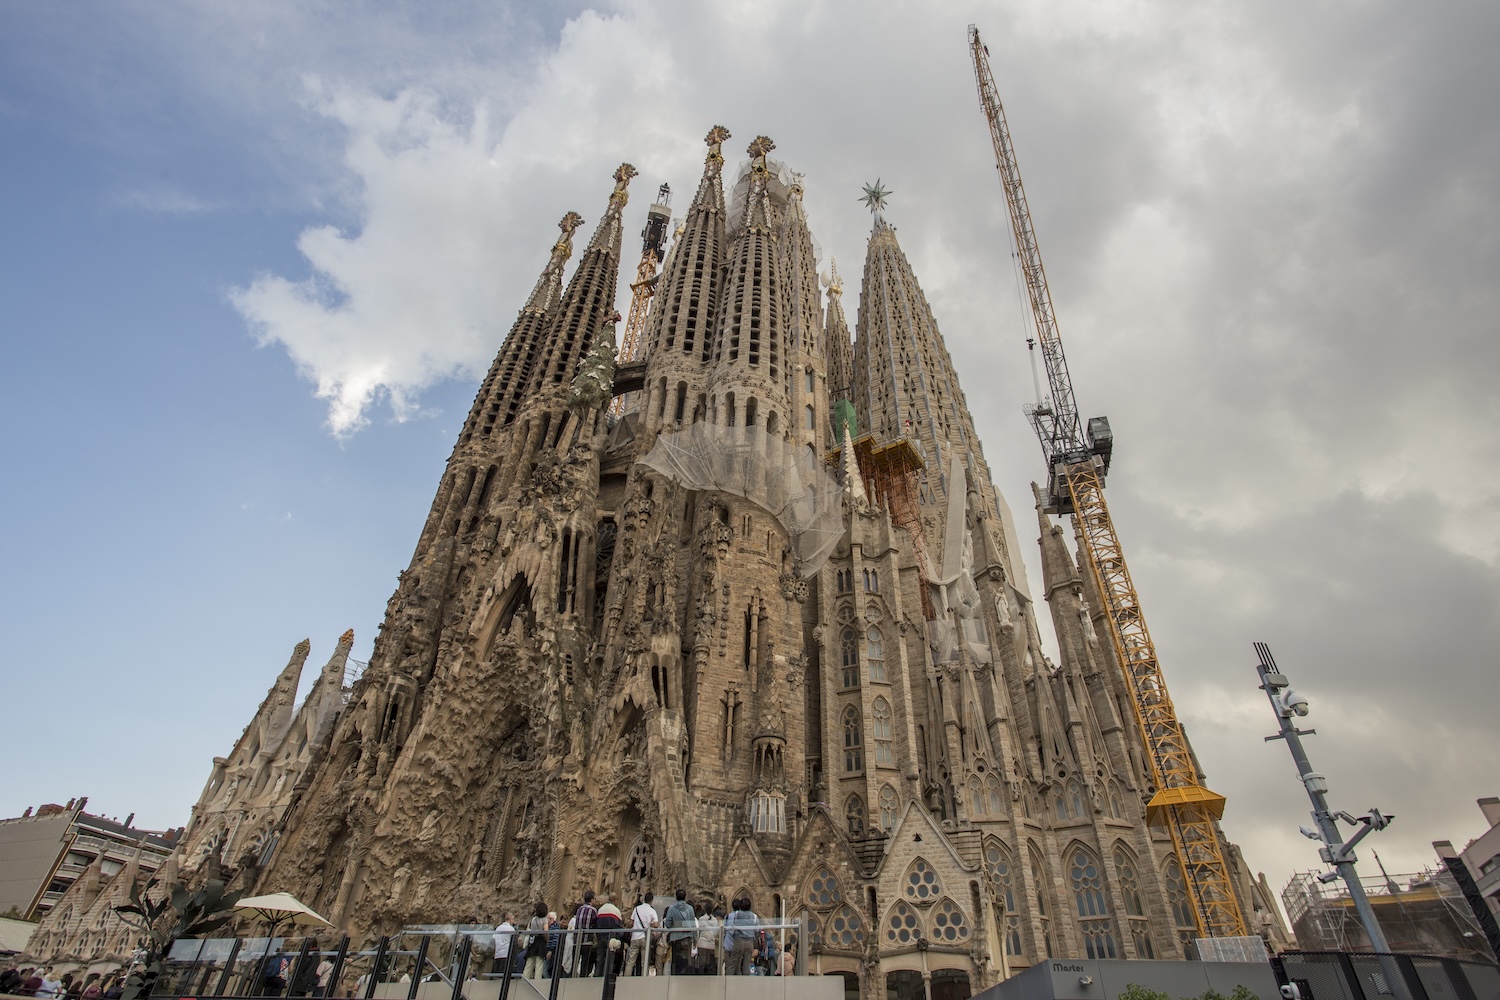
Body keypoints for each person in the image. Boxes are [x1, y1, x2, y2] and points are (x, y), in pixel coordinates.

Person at [662, 889, 697, 976]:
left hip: (675, 937)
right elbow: (693, 924)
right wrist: (695, 939)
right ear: (685, 897)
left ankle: (675, 975)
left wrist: (675, 926)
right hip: (688, 937)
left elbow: (668, 923)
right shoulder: (690, 909)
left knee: (676, 960)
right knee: (687, 960)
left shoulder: (672, 908)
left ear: (676, 897)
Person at [723, 897, 759, 976]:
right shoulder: (754, 916)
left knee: (733, 963)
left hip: (739, 941)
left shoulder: (737, 914)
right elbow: (757, 931)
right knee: (746, 964)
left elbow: (733, 926)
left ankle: (728, 981)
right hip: (749, 942)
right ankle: (745, 983)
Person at [624, 894, 658, 976]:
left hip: (635, 937)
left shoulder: (636, 909)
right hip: (645, 937)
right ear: (651, 901)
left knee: (631, 961)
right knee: (644, 961)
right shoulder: (652, 911)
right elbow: (656, 925)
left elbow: (631, 923)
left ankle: (626, 978)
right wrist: (649, 925)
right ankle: (643, 979)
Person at [594, 893, 625, 977]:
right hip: (611, 937)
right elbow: (618, 927)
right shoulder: (616, 911)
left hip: (601, 936)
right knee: (610, 958)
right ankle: (607, 976)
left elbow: (596, 924)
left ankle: (597, 975)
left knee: (600, 958)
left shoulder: (600, 909)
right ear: (615, 900)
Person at [573, 892, 599, 977]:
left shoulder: (579, 909)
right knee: (585, 963)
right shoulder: (593, 910)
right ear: (591, 900)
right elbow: (596, 924)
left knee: (575, 961)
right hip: (587, 940)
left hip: (577, 939)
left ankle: (572, 977)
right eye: (595, 899)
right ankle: (582, 978)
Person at [524, 902, 550, 980]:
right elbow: (546, 931)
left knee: (529, 963)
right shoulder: (545, 920)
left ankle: (525, 978)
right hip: (541, 941)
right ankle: (537, 981)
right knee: (539, 963)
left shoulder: (533, 919)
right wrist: (547, 939)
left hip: (533, 941)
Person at [694, 905, 720, 975]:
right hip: (711, 944)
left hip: (702, 943)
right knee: (709, 964)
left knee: (702, 963)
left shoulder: (701, 919)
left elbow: (698, 931)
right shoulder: (715, 920)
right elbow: (716, 932)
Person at [492, 911, 517, 976]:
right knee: (504, 974)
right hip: (506, 954)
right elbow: (514, 941)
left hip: (497, 954)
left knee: (497, 974)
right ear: (510, 919)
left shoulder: (498, 928)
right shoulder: (511, 929)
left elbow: (494, 939)